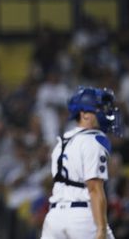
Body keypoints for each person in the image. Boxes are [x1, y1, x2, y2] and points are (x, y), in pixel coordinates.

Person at [41, 86, 122, 239]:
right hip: (82, 217)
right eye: (98, 108)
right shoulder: (92, 140)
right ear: (84, 114)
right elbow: (94, 188)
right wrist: (101, 229)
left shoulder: (62, 141)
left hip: (54, 218)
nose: (104, 112)